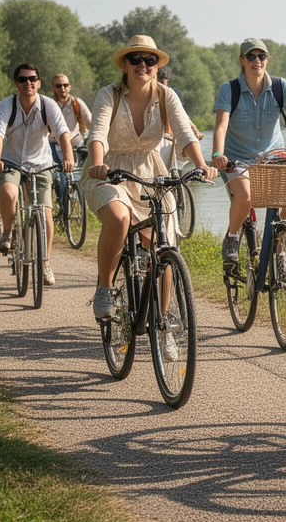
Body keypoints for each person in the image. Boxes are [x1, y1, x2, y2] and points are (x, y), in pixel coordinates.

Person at [83, 35, 216, 359]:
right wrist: (99, 163)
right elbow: (98, 133)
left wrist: (202, 165)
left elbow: (184, 133)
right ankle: (104, 289)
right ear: (125, 65)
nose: (143, 65)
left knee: (164, 242)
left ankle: (165, 321)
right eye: (137, 59)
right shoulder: (109, 95)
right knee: (119, 218)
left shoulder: (165, 95)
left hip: (149, 172)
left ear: (157, 67)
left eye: (150, 60)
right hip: (109, 170)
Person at [211, 38, 286, 262]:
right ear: (242, 60)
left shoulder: (280, 87)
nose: (257, 61)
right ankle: (232, 237)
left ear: (267, 60)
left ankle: (280, 253)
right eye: (251, 56)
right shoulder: (230, 89)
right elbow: (221, 126)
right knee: (245, 196)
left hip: (273, 156)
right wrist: (218, 154)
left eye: (262, 56)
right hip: (238, 157)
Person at [0, 64, 76, 286]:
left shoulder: (48, 105)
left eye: (32, 79)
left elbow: (62, 132)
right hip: (10, 161)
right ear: (16, 83)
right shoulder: (5, 106)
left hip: (40, 163)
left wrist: (68, 158)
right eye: (23, 79)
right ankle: (8, 232)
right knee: (9, 194)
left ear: (38, 82)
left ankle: (45, 261)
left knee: (45, 213)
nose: (28, 83)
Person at [48, 73, 91, 200]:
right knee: (59, 177)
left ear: (70, 87)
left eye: (65, 85)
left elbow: (90, 121)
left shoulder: (76, 103)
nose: (62, 89)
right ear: (53, 88)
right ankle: (63, 206)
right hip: (55, 143)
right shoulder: (50, 105)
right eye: (59, 86)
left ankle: (80, 203)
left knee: (78, 175)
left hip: (75, 143)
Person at [156, 65, 203, 170]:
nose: (162, 85)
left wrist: (195, 129)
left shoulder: (170, 94)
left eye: (163, 82)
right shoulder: (146, 94)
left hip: (169, 138)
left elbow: (181, 115)